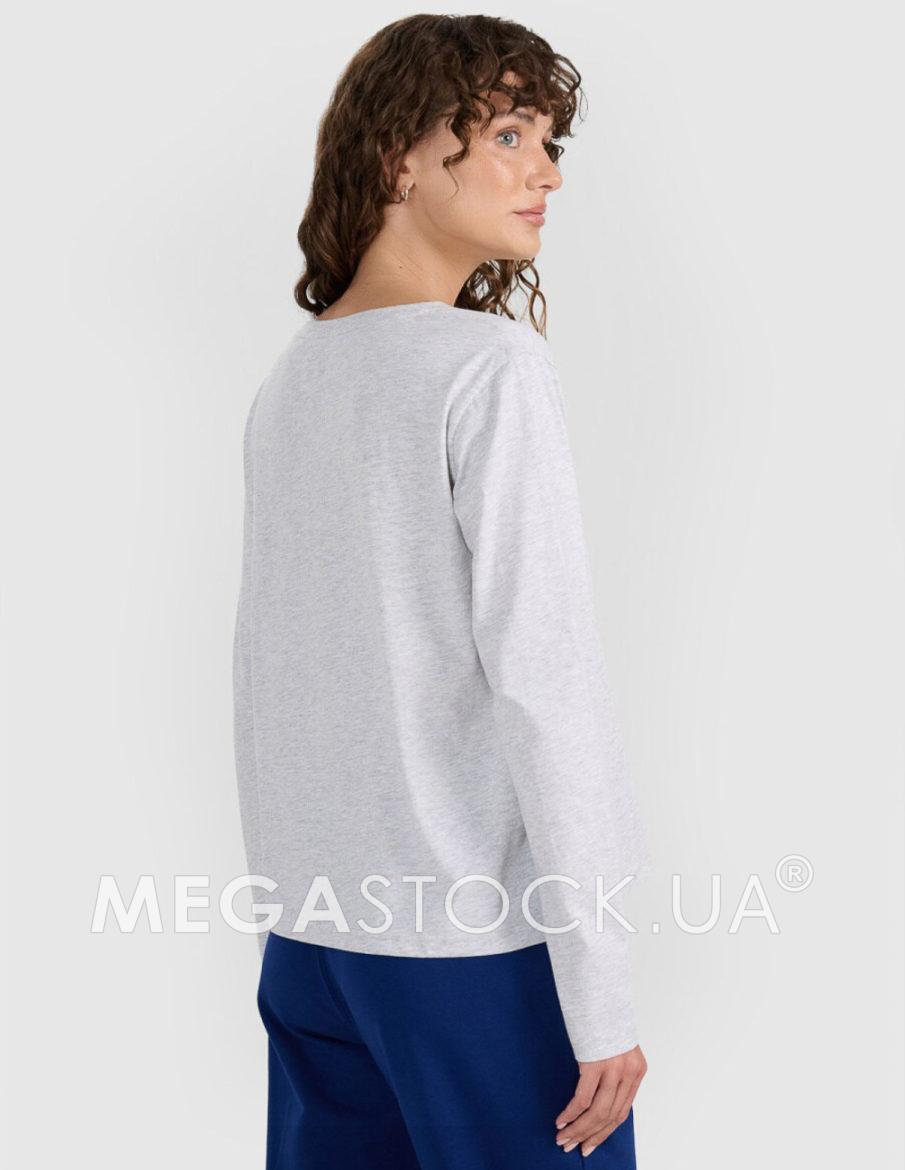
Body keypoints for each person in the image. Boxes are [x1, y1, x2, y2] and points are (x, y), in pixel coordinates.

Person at [233, 14, 651, 1168]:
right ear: (398, 158)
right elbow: (544, 685)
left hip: (313, 949)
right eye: (508, 134)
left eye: (549, 141)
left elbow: (277, 675)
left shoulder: (292, 383)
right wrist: (601, 993)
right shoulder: (487, 368)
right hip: (472, 961)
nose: (546, 172)